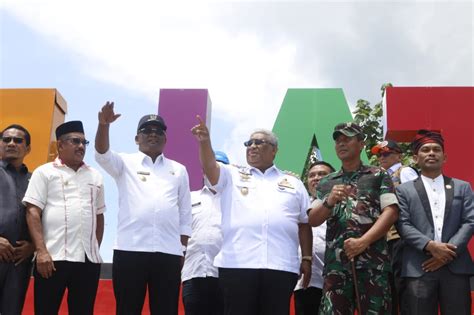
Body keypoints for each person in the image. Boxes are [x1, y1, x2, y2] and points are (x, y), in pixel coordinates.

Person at [191, 117, 312, 315]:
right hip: (237, 265)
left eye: (259, 142)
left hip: (280, 266)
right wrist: (204, 142)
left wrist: (306, 258)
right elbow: (210, 167)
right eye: (249, 143)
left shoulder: (293, 182)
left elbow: (304, 223)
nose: (252, 146)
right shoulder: (232, 175)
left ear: (274, 150)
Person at [95, 101, 192, 315]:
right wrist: (104, 125)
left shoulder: (179, 170)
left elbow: (185, 213)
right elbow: (102, 154)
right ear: (137, 139)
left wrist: (182, 250)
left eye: (158, 131)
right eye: (146, 131)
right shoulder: (124, 163)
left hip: (168, 253)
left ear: (166, 139)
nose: (153, 135)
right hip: (130, 250)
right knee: (128, 309)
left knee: (166, 310)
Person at [307, 122, 399, 314]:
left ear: (361, 144)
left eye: (347, 139)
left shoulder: (378, 175)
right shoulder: (326, 182)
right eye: (338, 140)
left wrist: (363, 241)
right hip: (336, 267)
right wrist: (329, 201)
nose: (341, 144)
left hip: (373, 264)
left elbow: (391, 212)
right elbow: (313, 220)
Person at [23, 120, 105, 315]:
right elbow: (33, 212)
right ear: (60, 145)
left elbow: (99, 216)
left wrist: (94, 249)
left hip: (88, 261)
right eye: (75, 141)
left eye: (84, 143)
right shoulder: (45, 172)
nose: (80, 147)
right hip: (52, 259)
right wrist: (41, 252)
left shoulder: (95, 176)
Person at [396, 130, 474, 315]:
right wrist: (430, 246)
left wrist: (446, 253)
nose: (431, 153)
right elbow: (403, 224)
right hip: (419, 267)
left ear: (444, 157)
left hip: (454, 267)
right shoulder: (403, 190)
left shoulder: (462, 187)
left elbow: (470, 221)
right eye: (425, 150)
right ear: (415, 158)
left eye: (436, 149)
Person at [371, 140, 418, 314]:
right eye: (379, 154)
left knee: (404, 286)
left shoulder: (405, 172)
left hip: (403, 237)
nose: (381, 157)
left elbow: (417, 201)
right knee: (391, 287)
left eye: (386, 153)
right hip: (387, 239)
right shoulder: (380, 176)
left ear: (399, 155)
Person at [181, 150, 230, 315]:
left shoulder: (235, 201)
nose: (213, 171)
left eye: (219, 168)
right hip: (193, 272)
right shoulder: (189, 198)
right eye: (210, 167)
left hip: (226, 275)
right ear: (203, 171)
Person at [0, 124, 35, 314]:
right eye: (6, 140)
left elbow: (46, 218)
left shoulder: (36, 180)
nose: (11, 143)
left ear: (27, 148)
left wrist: (33, 246)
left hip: (19, 263)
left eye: (18, 140)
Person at [293, 161, 335, 315]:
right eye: (312, 175)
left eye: (322, 174)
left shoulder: (346, 205)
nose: (316, 178)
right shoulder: (299, 206)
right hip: (306, 282)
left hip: (338, 283)